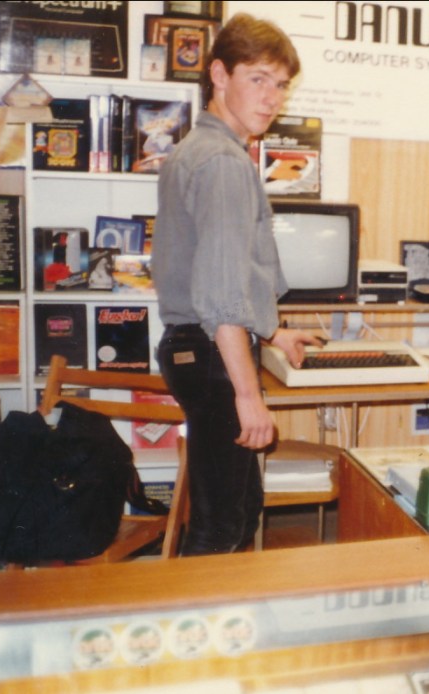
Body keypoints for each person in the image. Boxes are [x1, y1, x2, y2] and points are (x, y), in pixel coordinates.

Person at [153, 13, 318, 555]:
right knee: (222, 525)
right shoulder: (223, 162)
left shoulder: (199, 150)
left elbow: (220, 272)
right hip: (211, 353)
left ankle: (216, 631)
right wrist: (248, 395)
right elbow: (221, 295)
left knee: (237, 513)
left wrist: (272, 333)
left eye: (281, 84)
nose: (271, 97)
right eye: (257, 78)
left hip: (197, 349)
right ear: (219, 75)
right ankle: (193, 635)